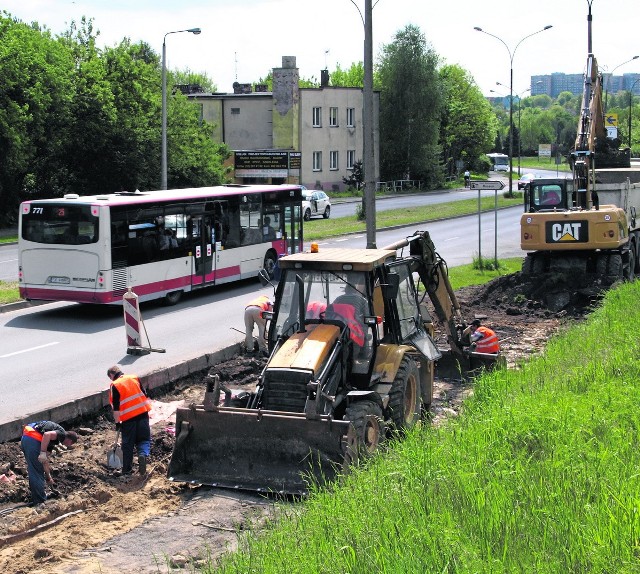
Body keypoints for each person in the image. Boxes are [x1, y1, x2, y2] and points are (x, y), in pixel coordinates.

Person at [107, 365, 152, 476]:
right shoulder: (134, 377)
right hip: (143, 413)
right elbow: (145, 394)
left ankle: (127, 470)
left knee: (127, 445)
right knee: (144, 439)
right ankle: (142, 454)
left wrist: (117, 423)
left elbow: (116, 408)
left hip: (128, 419)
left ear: (112, 375)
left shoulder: (115, 385)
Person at [21, 421, 78, 506]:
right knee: (37, 471)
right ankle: (40, 501)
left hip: (26, 439)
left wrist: (48, 477)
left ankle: (37, 497)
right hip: (32, 441)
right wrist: (43, 452)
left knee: (34, 469)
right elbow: (47, 434)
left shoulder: (52, 442)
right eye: (71, 444)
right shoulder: (62, 433)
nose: (68, 445)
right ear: (70, 440)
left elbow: (44, 461)